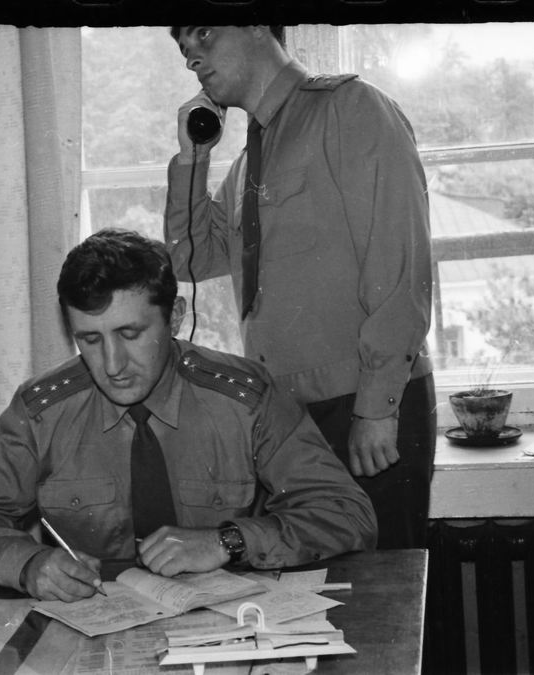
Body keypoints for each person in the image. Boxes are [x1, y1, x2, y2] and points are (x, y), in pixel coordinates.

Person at [0, 228, 376, 601]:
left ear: (175, 318)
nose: (112, 365)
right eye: (90, 340)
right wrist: (28, 564)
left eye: (130, 334)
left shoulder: (245, 399)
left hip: (228, 628)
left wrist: (228, 541)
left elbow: (347, 514)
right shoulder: (42, 412)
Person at [164, 26, 436, 549]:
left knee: (381, 585)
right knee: (312, 588)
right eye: (184, 50)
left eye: (203, 35)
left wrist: (377, 408)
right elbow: (190, 258)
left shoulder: (351, 110)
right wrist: (193, 157)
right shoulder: (248, 163)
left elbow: (400, 266)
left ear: (256, 25)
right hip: (287, 420)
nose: (192, 58)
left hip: (362, 402)